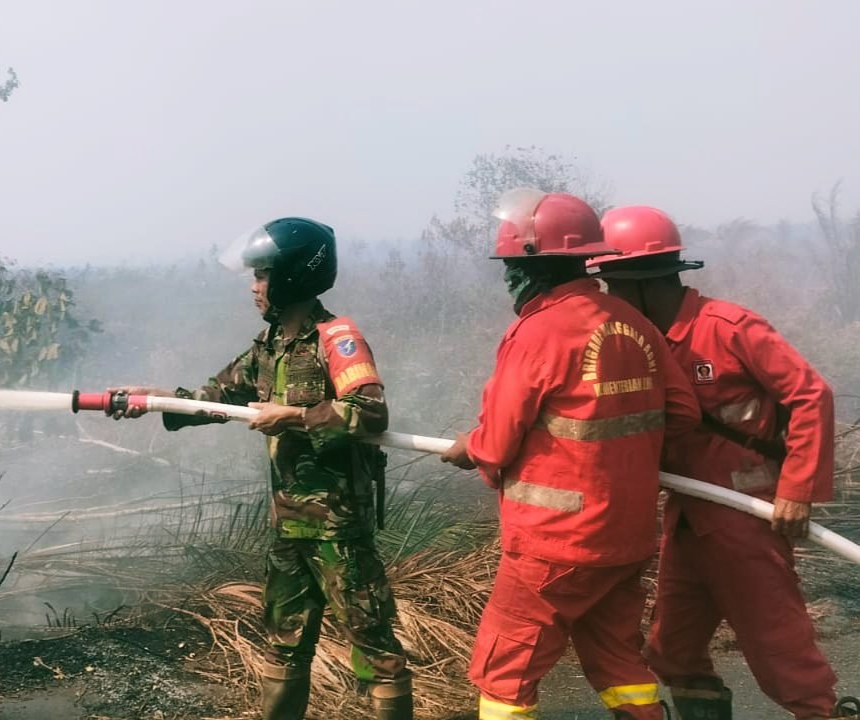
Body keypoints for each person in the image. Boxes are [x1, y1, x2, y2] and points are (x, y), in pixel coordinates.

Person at [112, 217, 411, 720]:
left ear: (293, 276)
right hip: (289, 528)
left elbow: (370, 412)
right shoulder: (268, 346)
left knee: (376, 650)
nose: (254, 287)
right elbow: (214, 398)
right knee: (284, 645)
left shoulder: (337, 340)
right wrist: (153, 399)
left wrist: (292, 416)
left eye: (263, 275)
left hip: (339, 530)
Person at [441, 189, 701, 720]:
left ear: (537, 268)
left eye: (513, 266)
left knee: (504, 674)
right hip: (625, 538)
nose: (508, 278)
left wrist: (469, 448)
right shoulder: (633, 324)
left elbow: (494, 443)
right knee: (619, 664)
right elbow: (683, 414)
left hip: (554, 544)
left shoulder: (537, 332)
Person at [591, 205, 858, 720]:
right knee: (674, 650)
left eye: (613, 286)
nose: (609, 299)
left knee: (781, 652)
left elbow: (810, 395)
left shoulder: (730, 328)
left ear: (645, 282)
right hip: (689, 515)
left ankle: (822, 714)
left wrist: (796, 490)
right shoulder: (636, 344)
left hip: (746, 514)